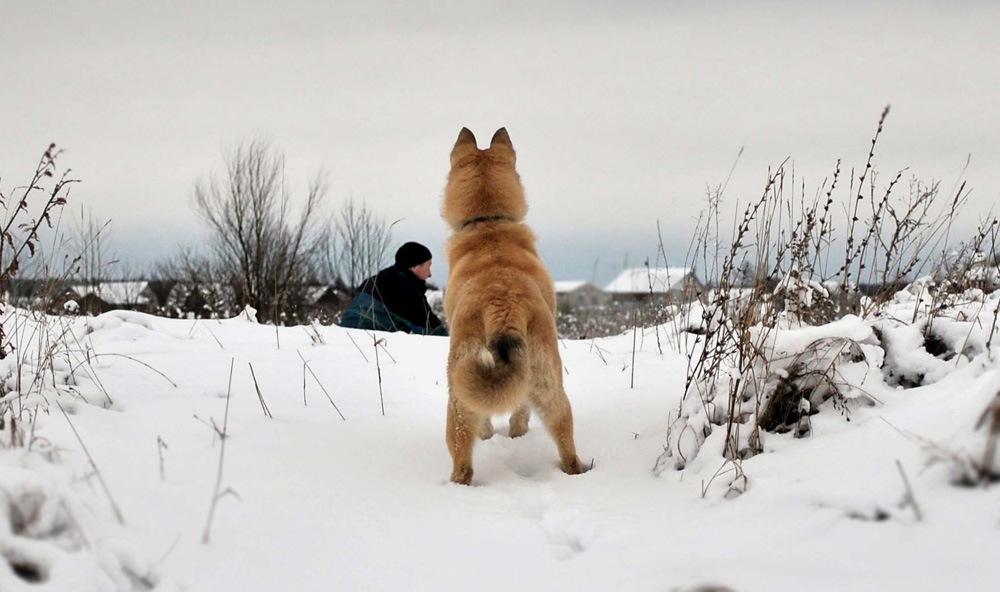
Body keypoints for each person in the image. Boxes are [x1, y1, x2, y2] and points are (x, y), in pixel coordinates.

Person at [339, 242, 448, 335]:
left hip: (345, 337)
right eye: (428, 266)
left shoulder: (372, 282)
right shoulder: (407, 292)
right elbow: (435, 332)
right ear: (415, 265)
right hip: (369, 345)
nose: (430, 274)